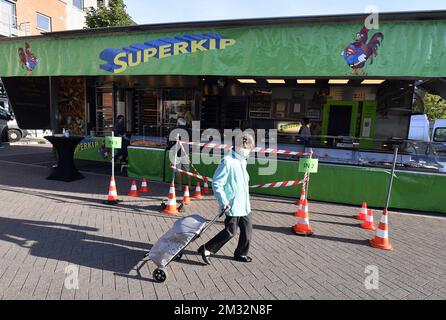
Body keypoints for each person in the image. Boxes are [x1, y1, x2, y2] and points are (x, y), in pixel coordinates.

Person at [198, 133, 255, 264]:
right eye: (246, 148)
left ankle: (241, 254)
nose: (248, 150)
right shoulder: (227, 160)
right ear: (239, 147)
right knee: (230, 232)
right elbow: (217, 183)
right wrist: (224, 202)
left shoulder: (242, 161)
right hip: (232, 204)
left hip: (244, 204)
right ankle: (207, 248)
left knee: (247, 230)